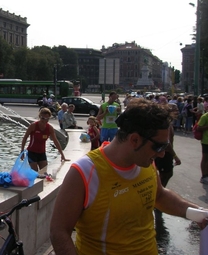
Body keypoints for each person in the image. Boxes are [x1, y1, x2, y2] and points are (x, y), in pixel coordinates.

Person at [50, 99, 207, 255]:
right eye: (158, 146)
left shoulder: (145, 161)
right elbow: (59, 232)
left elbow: (159, 195)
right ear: (135, 140)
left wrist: (197, 212)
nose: (161, 154)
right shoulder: (85, 172)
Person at [21, 107, 69, 171]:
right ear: (40, 116)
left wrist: (62, 155)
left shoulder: (49, 128)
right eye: (43, 118)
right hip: (32, 152)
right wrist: (22, 151)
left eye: (47, 119)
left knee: (44, 173)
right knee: (35, 172)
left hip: (42, 153)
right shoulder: (33, 126)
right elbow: (25, 137)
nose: (44, 120)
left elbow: (55, 141)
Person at [154, 99, 181, 187]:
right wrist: (175, 156)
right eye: (175, 110)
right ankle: (158, 193)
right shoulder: (166, 124)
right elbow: (167, 143)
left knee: (165, 174)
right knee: (166, 174)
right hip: (165, 153)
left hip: (164, 153)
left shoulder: (168, 123)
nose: (177, 111)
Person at [197, 111, 208, 184]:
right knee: (205, 158)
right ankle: (204, 176)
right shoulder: (205, 116)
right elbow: (198, 128)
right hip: (206, 141)